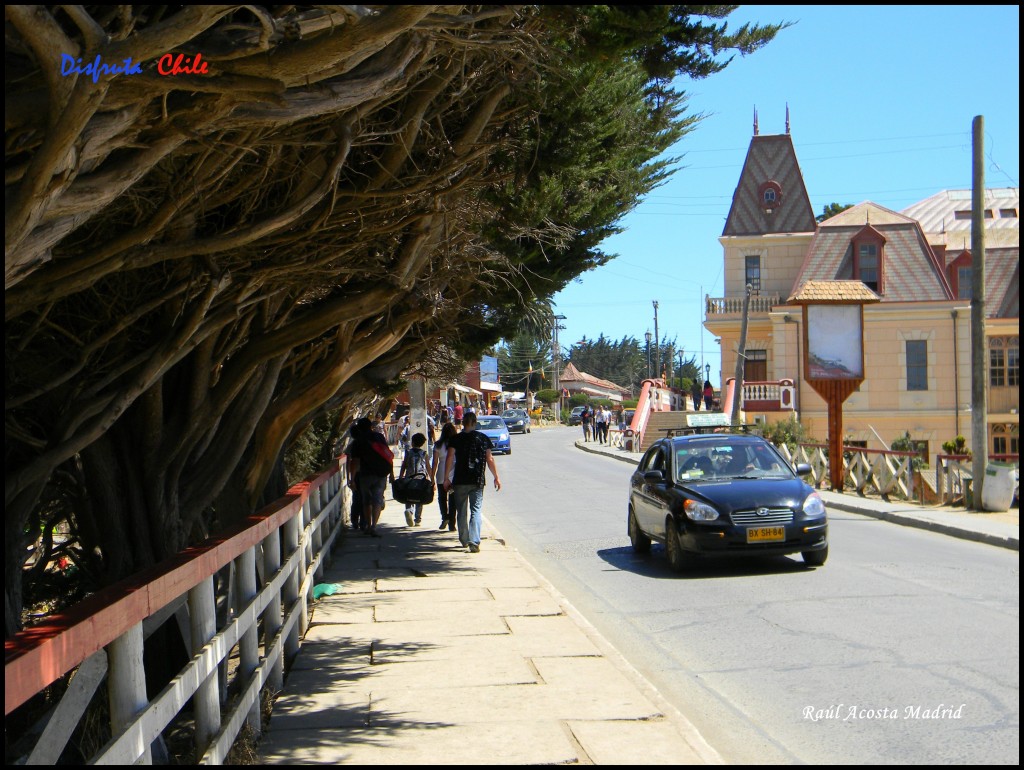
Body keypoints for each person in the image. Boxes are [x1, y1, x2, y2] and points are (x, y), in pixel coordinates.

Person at [443, 412, 501, 552]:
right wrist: (496, 476)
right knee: (476, 510)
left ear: (463, 422)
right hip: (477, 480)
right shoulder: (483, 438)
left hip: (460, 480)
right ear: (475, 422)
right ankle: (474, 541)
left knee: (461, 511)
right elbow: (490, 459)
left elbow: (450, 457)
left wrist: (446, 478)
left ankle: (464, 540)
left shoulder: (455, 439)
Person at [347, 417, 395, 537]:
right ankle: (374, 526)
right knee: (377, 500)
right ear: (371, 426)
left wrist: (352, 479)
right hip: (381, 473)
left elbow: (355, 462)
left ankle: (368, 526)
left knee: (366, 501)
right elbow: (387, 454)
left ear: (359, 428)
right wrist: (391, 473)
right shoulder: (379, 437)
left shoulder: (358, 441)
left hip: (365, 474)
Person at [398, 433, 432, 526]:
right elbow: (428, 468)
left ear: (412, 442)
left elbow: (404, 465)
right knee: (420, 498)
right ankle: (417, 519)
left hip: (409, 478)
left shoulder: (408, 452)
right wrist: (433, 480)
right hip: (421, 479)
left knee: (408, 496)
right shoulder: (424, 453)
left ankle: (409, 510)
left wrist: (401, 476)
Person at [431, 422, 458, 530]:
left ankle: (445, 517)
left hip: (442, 474)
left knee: (442, 498)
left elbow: (435, 462)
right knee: (453, 499)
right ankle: (452, 523)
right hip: (454, 474)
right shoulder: (457, 443)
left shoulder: (438, 445)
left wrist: (432, 477)